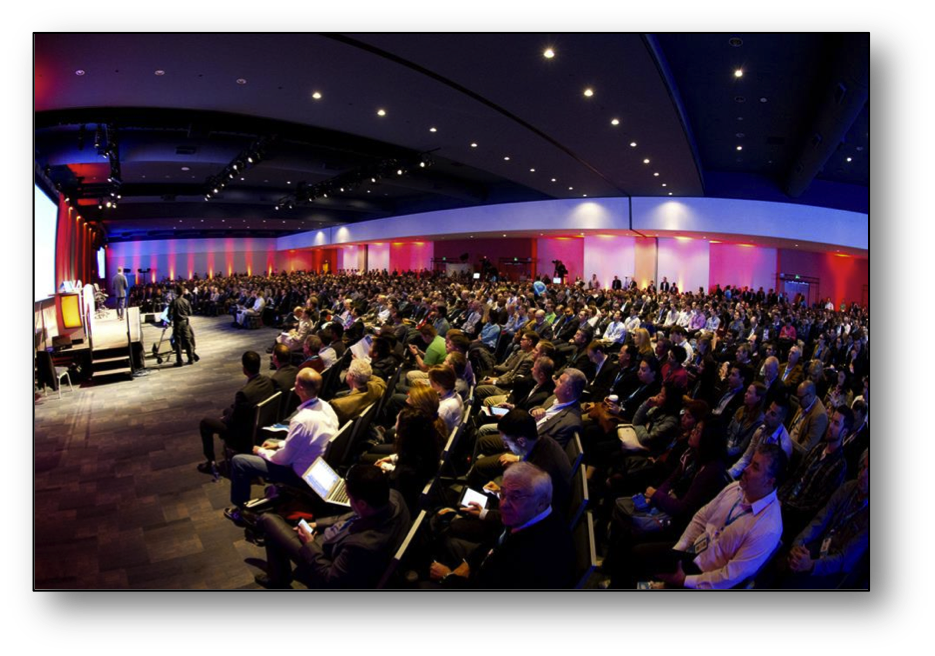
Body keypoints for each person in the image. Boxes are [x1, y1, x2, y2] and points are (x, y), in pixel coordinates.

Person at [622, 444, 787, 589]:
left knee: (642, 561)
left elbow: (730, 575)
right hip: (693, 551)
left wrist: (685, 581)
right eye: (750, 462)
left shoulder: (768, 528)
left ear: (770, 481)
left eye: (755, 467)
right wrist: (678, 551)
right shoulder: (735, 488)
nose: (746, 469)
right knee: (636, 554)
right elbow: (701, 518)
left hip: (708, 576)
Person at [254, 464, 410, 589]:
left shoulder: (361, 545)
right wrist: (317, 523)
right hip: (341, 541)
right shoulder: (394, 497)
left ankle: (277, 578)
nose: (349, 502)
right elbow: (354, 515)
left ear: (362, 504)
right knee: (274, 532)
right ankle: (278, 577)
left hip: (326, 557)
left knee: (268, 520)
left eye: (350, 498)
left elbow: (329, 579)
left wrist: (309, 543)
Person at [430, 461, 576, 589]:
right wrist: (468, 563)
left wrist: (448, 577)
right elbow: (497, 540)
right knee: (448, 543)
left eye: (515, 497)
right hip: (488, 565)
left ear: (540, 503)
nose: (503, 505)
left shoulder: (534, 557)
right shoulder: (529, 516)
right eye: (503, 494)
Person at [225, 368, 339, 519]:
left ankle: (240, 510)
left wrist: (260, 451)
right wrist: (278, 445)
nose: (294, 383)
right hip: (318, 465)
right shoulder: (326, 407)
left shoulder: (301, 420)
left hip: (300, 473)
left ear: (300, 388)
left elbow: (283, 459)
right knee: (271, 442)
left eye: (296, 381)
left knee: (239, 461)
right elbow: (307, 440)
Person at [778, 450, 868, 589]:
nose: (863, 474)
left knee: (798, 582)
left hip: (834, 569)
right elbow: (820, 521)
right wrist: (798, 544)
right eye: (863, 467)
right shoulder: (847, 488)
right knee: (785, 563)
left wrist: (811, 565)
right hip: (819, 546)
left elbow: (844, 559)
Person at [197, 351, 275, 473]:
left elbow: (233, 421)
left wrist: (224, 419)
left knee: (205, 423)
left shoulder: (244, 393)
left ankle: (210, 462)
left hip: (243, 436)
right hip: (260, 427)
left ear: (244, 369)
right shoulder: (268, 381)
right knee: (227, 410)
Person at [330, 359, 386, 425]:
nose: (346, 372)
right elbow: (378, 379)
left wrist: (360, 372)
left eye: (348, 370)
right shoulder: (378, 387)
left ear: (352, 376)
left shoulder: (338, 405)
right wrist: (364, 372)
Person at [169, 285, 196, 366]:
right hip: (185, 323)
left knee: (178, 342)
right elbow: (190, 313)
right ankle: (191, 359)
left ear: (176, 292)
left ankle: (179, 361)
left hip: (177, 323)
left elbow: (169, 314)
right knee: (187, 341)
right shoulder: (186, 301)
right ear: (183, 292)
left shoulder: (174, 302)